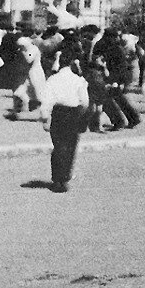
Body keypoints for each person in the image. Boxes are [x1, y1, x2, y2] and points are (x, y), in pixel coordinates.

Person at [42, 55, 91, 193]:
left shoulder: (52, 80)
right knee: (70, 146)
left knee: (58, 146)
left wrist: (45, 118)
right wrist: (80, 114)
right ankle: (65, 178)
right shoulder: (78, 80)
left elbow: (46, 100)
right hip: (73, 113)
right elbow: (85, 102)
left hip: (57, 113)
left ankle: (56, 178)